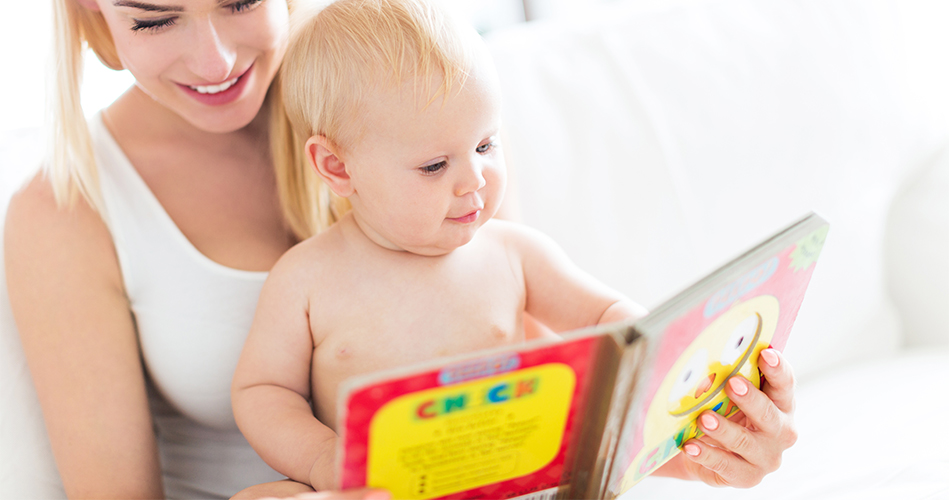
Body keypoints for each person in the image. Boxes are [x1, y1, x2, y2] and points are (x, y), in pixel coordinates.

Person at [230, 0, 799, 494]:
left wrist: (675, 363)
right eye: (434, 165)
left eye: (485, 144)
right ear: (336, 167)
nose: (474, 180)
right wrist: (318, 459)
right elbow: (264, 389)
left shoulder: (514, 254)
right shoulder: (306, 278)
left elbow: (612, 319)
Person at [3, 0, 386, 498]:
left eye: (242, 2)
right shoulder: (66, 209)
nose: (216, 64)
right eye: (154, 20)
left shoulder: (412, 92)